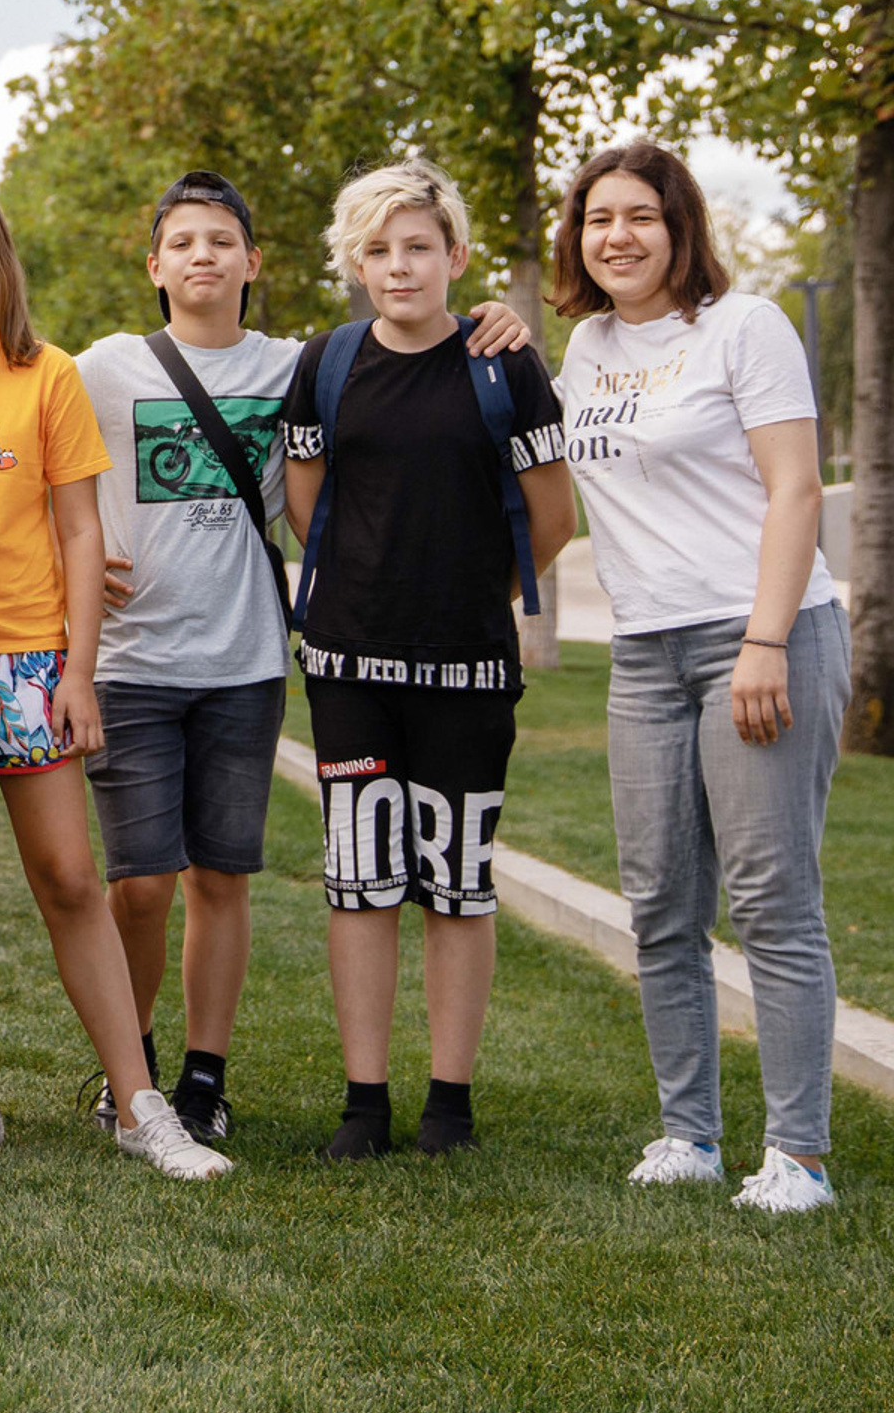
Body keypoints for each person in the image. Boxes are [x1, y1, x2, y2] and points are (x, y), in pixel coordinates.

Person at [79, 174, 534, 1147]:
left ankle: (204, 1079)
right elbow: (36, 455)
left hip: (247, 662)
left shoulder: (307, 361)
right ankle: (133, 1066)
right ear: (153, 263)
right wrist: (64, 557)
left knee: (222, 880)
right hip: (136, 661)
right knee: (140, 883)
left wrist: (495, 315)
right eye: (183, 242)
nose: (203, 256)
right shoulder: (104, 368)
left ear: (254, 262)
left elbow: (388, 415)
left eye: (222, 241)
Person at [0, 180, 227, 1180]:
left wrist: (78, 668)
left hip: (29, 656)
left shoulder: (45, 373)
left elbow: (81, 526)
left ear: (1, 264)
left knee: (72, 878)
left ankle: (137, 1101)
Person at [553, 141, 850, 1213]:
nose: (617, 236)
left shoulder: (743, 325)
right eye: (597, 219)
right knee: (660, 906)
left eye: (639, 215)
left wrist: (764, 641)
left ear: (681, 228)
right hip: (645, 652)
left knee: (772, 899)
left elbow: (796, 488)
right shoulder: (580, 346)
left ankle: (798, 1154)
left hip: (761, 635)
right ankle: (688, 1133)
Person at [283, 159, 575, 1161]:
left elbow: (551, 517)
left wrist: (463, 594)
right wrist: (373, 587)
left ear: (454, 255)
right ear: (354, 262)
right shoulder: (324, 363)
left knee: (457, 883)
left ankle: (448, 1100)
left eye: (417, 246)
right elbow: (305, 501)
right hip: (349, 666)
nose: (398, 265)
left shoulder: (506, 366)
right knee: (357, 883)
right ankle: (364, 1100)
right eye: (377, 249)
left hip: (469, 667)